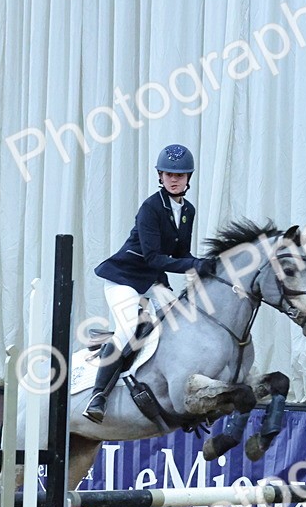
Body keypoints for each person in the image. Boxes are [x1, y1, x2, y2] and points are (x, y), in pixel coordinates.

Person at [83, 144, 218, 423]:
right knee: (129, 327)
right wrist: (193, 265)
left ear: (188, 178)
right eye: (168, 174)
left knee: (183, 320)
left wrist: (210, 266)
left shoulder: (187, 210)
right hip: (125, 278)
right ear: (160, 176)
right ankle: (98, 396)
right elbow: (154, 258)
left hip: (153, 281)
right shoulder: (150, 207)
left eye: (179, 175)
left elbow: (181, 256)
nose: (173, 179)